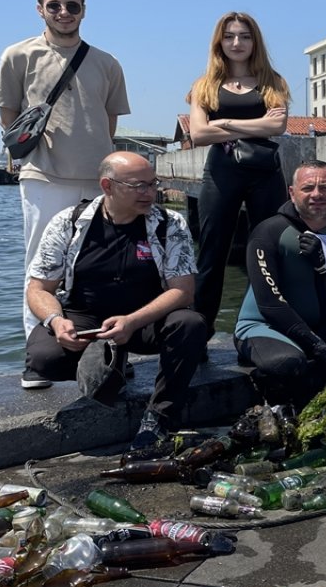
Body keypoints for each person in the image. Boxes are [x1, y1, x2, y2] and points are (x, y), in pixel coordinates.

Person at [24, 152, 207, 451]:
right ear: (107, 186)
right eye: (138, 186)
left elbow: (183, 291)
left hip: (144, 319)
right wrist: (56, 321)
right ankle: (113, 362)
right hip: (85, 316)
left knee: (190, 324)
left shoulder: (169, 223)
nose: (150, 193)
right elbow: (38, 289)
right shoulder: (69, 222)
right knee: (44, 359)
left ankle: (160, 415)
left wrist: (132, 321)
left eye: (153, 184)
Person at [0, 0, 130, 339]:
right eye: (54, 5)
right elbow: (9, 116)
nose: (64, 12)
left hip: (99, 179)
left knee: (103, 263)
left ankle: (101, 344)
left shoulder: (108, 63)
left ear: (84, 10)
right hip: (44, 175)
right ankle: (37, 346)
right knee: (40, 265)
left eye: (72, 5)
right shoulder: (17, 55)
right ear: (40, 9)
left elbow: (109, 120)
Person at [232, 161, 326, 409]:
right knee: (288, 363)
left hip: (322, 325)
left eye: (325, 188)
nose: (317, 194)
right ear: (292, 193)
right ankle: (281, 402)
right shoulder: (269, 232)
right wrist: (322, 350)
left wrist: (325, 265)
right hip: (267, 326)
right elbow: (270, 304)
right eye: (308, 188)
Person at [188, 12, 290, 342]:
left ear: (254, 41)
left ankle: (263, 328)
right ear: (219, 42)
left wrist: (225, 123)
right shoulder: (204, 85)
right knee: (211, 253)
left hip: (264, 173)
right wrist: (253, 125)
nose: (237, 43)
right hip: (222, 172)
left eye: (244, 36)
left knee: (267, 252)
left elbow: (278, 126)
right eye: (230, 36)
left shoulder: (273, 81)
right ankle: (199, 332)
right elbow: (198, 134)